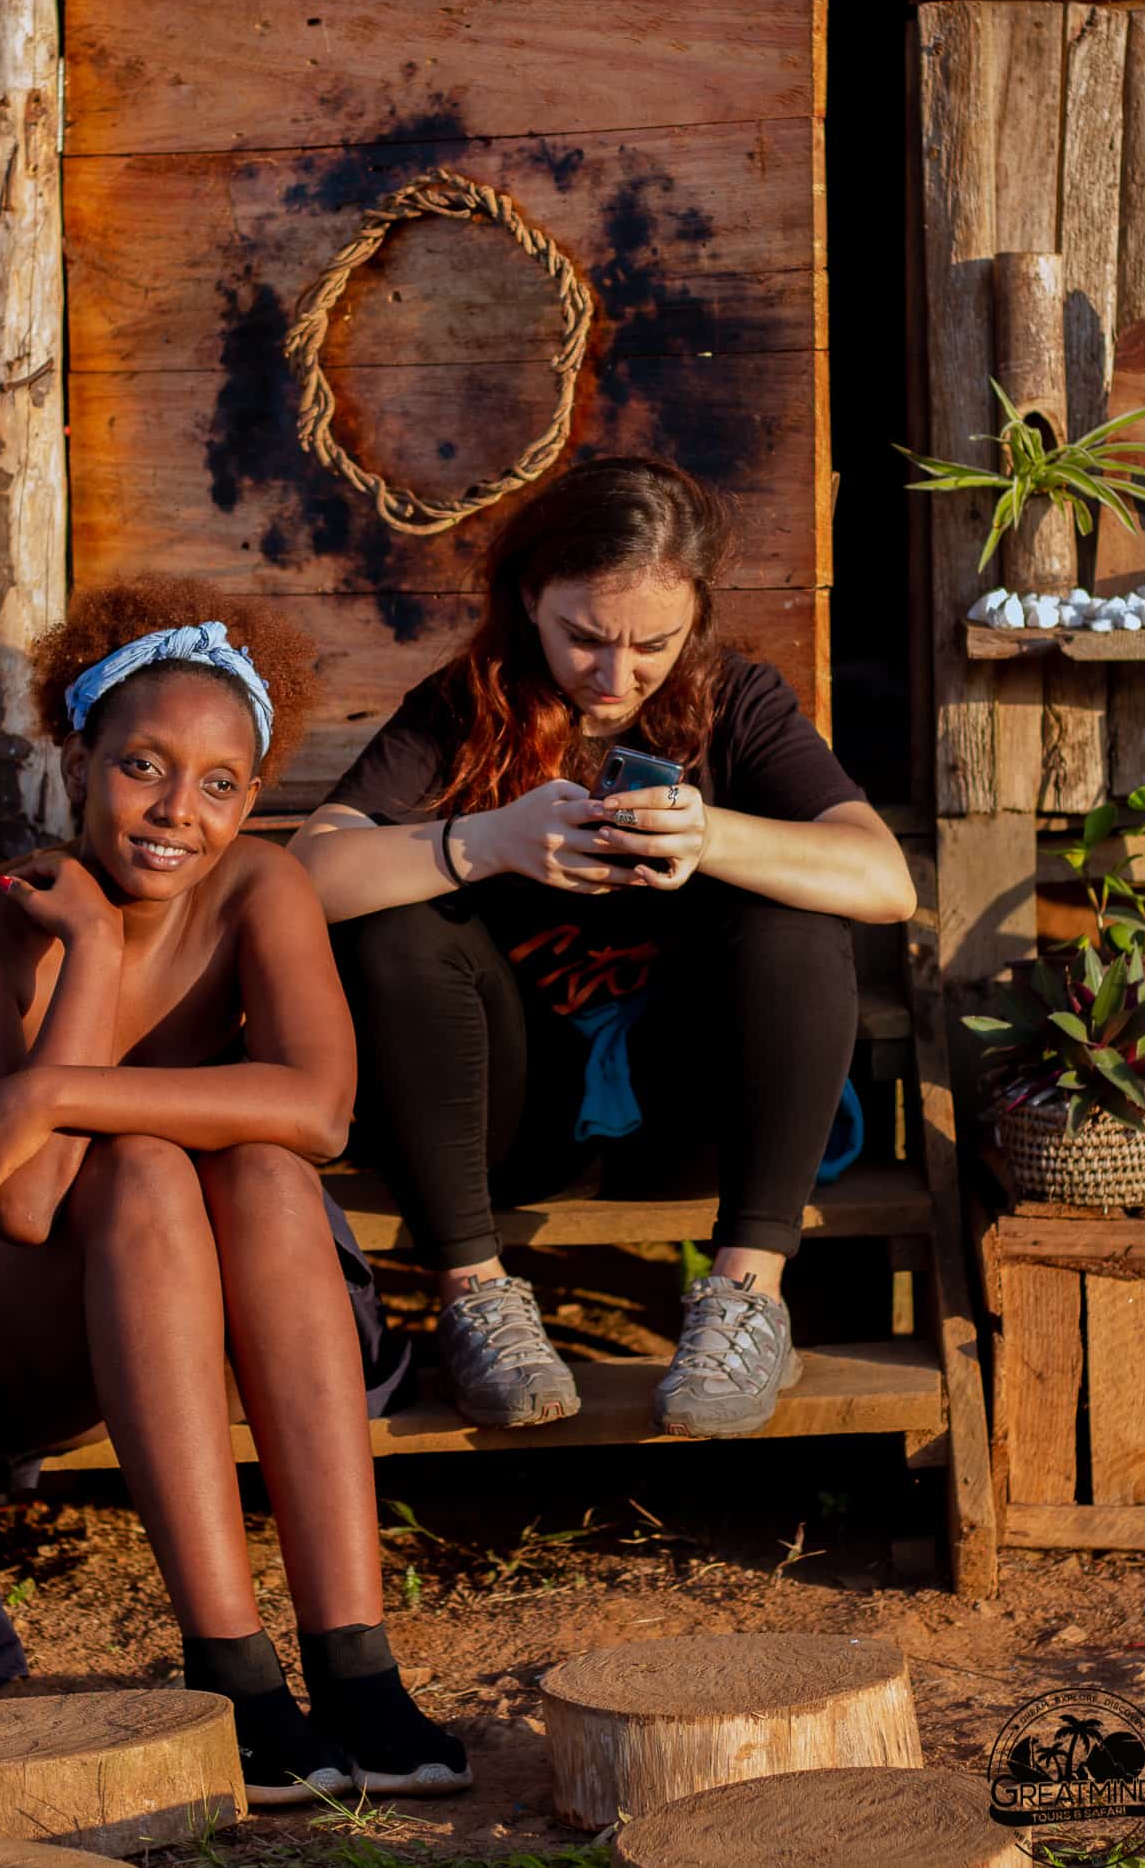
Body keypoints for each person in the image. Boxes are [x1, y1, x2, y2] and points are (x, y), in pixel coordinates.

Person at [0, 575, 469, 1804]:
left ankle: (356, 1666)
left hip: (237, 1305)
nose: (176, 814)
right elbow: (26, 1207)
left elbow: (317, 1113)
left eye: (218, 785)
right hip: (24, 1339)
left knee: (266, 1174)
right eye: (142, 768)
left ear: (252, 799)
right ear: (77, 759)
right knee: (148, 1171)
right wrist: (91, 949)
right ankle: (233, 1674)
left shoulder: (260, 887)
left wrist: (52, 1091)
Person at [288, 458, 916, 1440]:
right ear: (529, 597)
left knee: (795, 914)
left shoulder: (738, 702)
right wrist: (481, 843)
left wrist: (710, 835)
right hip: (507, 1124)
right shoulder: (466, 706)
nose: (615, 677)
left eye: (652, 644)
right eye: (583, 636)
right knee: (400, 918)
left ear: (695, 613)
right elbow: (307, 875)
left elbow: (885, 882)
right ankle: (476, 1296)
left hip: (693, 1114)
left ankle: (747, 1297)